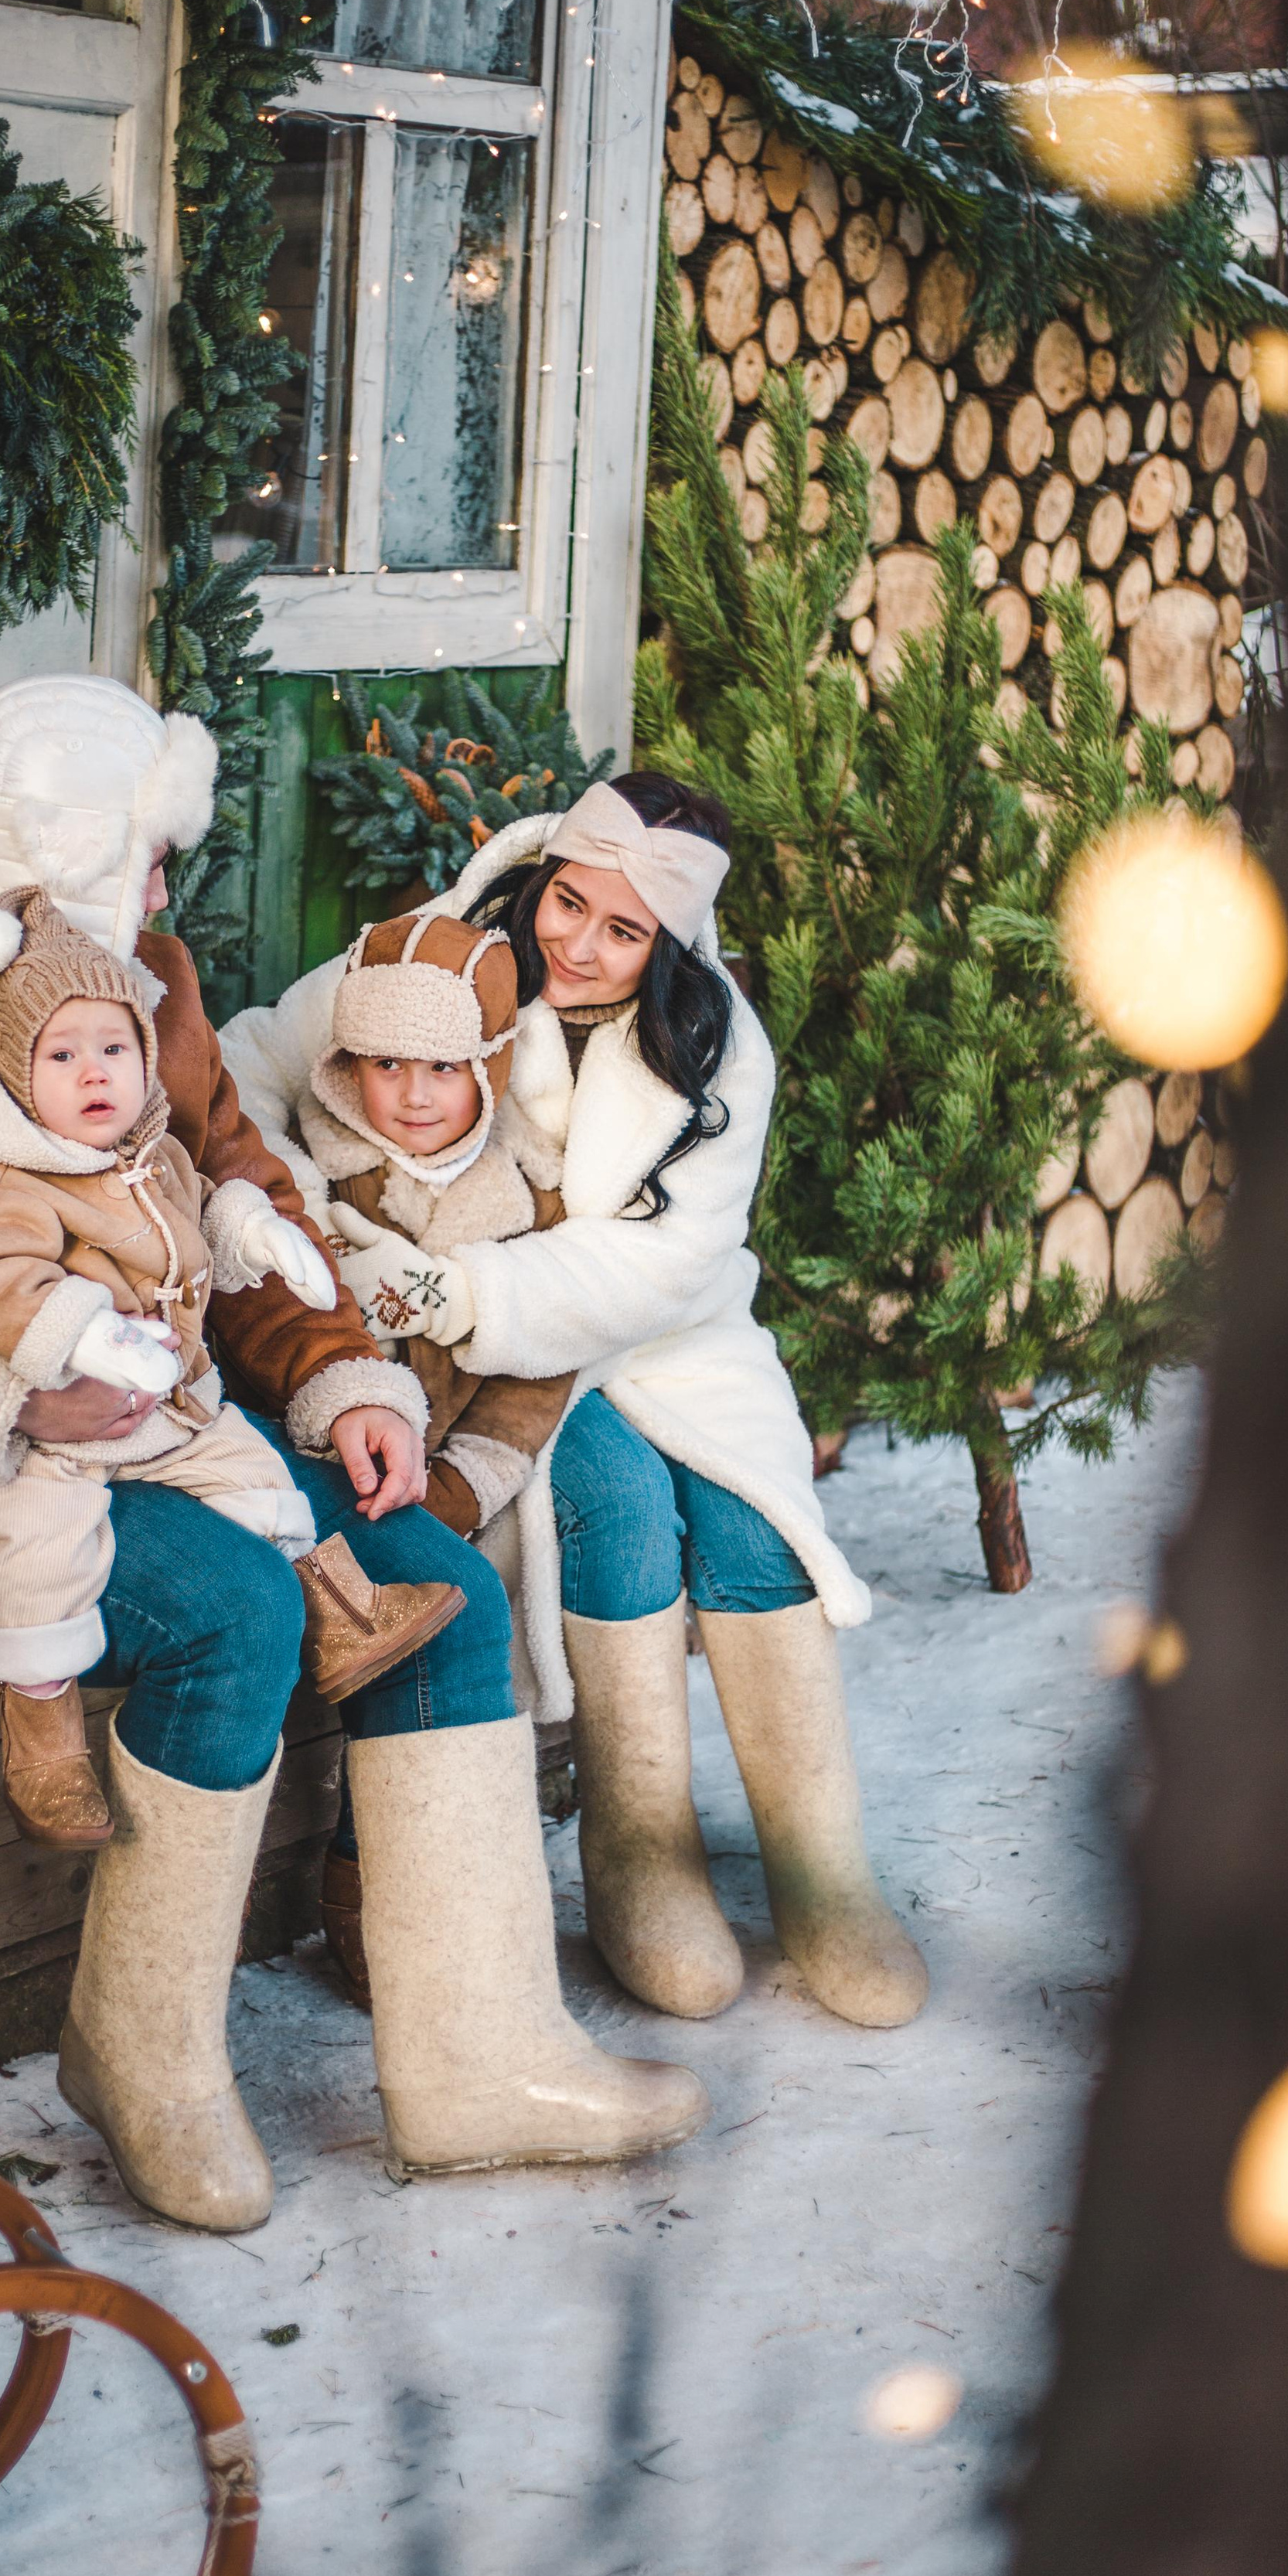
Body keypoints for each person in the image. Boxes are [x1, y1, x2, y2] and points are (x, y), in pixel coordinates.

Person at [0, 676, 708, 2236]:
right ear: (52, 860)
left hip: (164, 1420)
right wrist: (5, 1395)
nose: (169, 892)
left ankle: (474, 2054)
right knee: (235, 1610)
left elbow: (233, 1201)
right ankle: (141, 2051)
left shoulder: (142, 981)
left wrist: (341, 1383)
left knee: (422, 1567)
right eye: (148, 856)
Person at [222, 768, 929, 2032]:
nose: (582, 947)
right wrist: (314, 1225)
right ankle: (639, 1862)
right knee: (612, 1501)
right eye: (570, 904)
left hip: (662, 1334)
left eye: (625, 930)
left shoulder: (716, 1048)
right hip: (504, 1365)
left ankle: (828, 1883)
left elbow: (667, 1262)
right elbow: (249, 1067)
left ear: (673, 943)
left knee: (757, 1525)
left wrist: (452, 1287)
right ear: (543, 873)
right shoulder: (436, 961)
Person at [0, 881, 465, 1851]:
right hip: (52, 1432)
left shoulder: (149, 1153)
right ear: (10, 1071)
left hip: (173, 1413)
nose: (95, 1075)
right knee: (36, 1549)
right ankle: (39, 1724)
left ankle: (341, 1613)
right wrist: (82, 1333)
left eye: (114, 1050)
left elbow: (206, 1198)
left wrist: (257, 1234)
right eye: (62, 1055)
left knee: (261, 1483)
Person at [272, 905, 578, 2001]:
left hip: (441, 1476)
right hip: (314, 1445)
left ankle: (425, 1875)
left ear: (489, 1070)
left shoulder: (520, 1203)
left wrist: (462, 1484)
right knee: (391, 1609)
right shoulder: (314, 1170)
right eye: (384, 1062)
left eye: (441, 1069)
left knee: (461, 1616)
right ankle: (365, 1891)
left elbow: (537, 1373)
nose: (409, 1093)